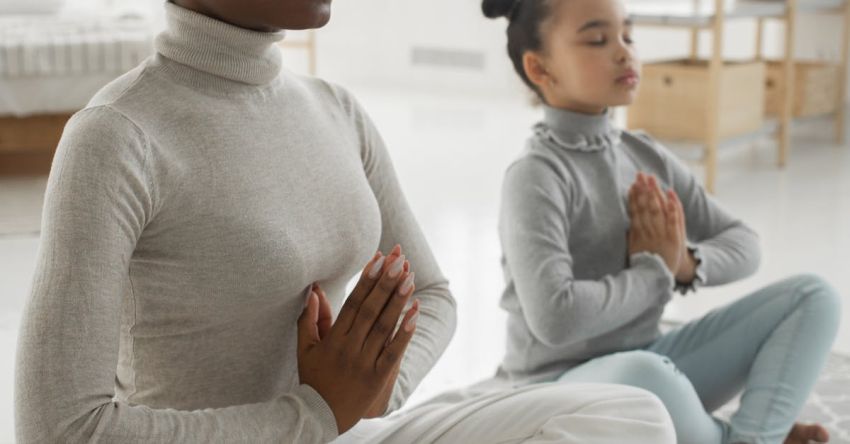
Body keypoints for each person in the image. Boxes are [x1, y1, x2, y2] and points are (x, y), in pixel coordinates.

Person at [15, 0, 676, 442]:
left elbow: (434, 294)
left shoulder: (334, 108)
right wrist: (311, 415)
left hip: (344, 430)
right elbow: (59, 427)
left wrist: (375, 392)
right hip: (305, 427)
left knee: (634, 415)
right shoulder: (117, 136)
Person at [483, 0, 842, 442]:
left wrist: (685, 264)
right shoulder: (535, 176)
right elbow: (555, 319)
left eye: (628, 36)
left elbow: (744, 244)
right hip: (558, 389)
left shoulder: (644, 154)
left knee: (812, 297)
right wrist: (655, 271)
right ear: (540, 69)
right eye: (598, 39)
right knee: (646, 375)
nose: (623, 52)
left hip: (652, 363)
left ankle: (747, 438)